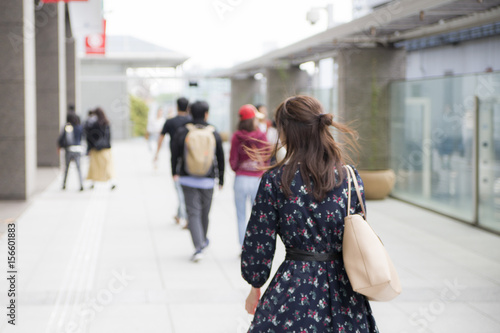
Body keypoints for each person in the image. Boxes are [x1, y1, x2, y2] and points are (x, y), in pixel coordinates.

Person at [241, 96, 379, 332]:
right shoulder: (349, 177)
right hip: (344, 293)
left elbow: (259, 242)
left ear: (287, 132)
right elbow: (358, 234)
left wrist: (255, 284)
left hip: (294, 289)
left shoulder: (276, 180)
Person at [171, 100, 225, 262]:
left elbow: (175, 155)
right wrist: (221, 178)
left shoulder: (183, 132)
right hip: (208, 180)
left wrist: (174, 172)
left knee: (193, 213)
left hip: (187, 179)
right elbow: (220, 157)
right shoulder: (214, 132)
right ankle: (203, 240)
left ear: (190, 113)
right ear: (207, 114)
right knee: (204, 213)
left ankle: (198, 246)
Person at [229, 104, 269, 249]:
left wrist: (240, 167)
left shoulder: (236, 136)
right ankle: (255, 244)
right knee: (257, 215)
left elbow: (232, 162)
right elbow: (267, 158)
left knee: (241, 215)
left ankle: (242, 246)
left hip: (241, 179)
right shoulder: (261, 135)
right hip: (257, 179)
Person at [154, 97, 191, 226]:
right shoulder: (191, 121)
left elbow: (161, 138)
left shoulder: (170, 122)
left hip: (176, 159)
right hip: (191, 159)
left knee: (180, 189)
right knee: (184, 188)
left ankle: (185, 218)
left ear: (176, 106)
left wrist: (156, 154)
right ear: (187, 107)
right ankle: (179, 214)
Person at [85, 107, 116, 190]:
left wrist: (89, 149)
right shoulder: (106, 123)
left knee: (95, 167)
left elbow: (89, 136)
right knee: (107, 166)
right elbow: (109, 137)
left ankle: (93, 183)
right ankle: (111, 182)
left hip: (96, 149)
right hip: (105, 149)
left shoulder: (93, 124)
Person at [57, 113, 84, 191]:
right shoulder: (79, 127)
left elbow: (63, 138)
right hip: (78, 149)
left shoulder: (68, 127)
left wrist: (60, 145)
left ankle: (64, 184)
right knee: (78, 168)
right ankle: (81, 184)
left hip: (69, 149)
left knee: (66, 168)